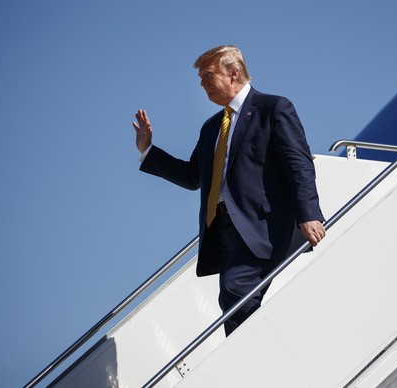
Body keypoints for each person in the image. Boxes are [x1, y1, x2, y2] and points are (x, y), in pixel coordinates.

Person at [132, 45, 326, 336]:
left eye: (208, 75)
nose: (202, 83)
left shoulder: (273, 108)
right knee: (233, 299)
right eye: (200, 78)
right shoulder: (211, 127)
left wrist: (309, 214)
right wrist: (148, 151)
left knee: (235, 292)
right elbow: (192, 176)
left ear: (234, 72)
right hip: (223, 230)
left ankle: (252, 365)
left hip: (266, 225)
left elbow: (299, 165)